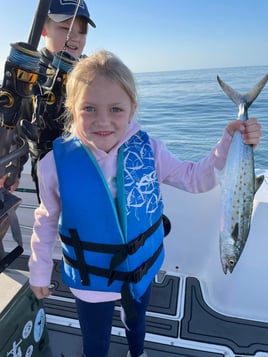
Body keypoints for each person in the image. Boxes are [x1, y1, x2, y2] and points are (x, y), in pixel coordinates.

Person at [28, 50, 262, 357]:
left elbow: (195, 179)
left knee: (136, 325)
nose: (103, 120)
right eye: (89, 108)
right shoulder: (53, 165)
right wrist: (39, 270)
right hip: (90, 279)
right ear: (72, 108)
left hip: (141, 269)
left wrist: (230, 143)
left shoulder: (150, 148)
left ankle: (136, 353)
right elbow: (46, 219)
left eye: (115, 109)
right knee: (95, 341)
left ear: (132, 109)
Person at [24, 0, 96, 201]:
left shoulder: (94, 71)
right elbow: (14, 131)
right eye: (65, 27)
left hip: (95, 168)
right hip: (50, 177)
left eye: (82, 32)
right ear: (44, 31)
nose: (74, 37)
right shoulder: (28, 75)